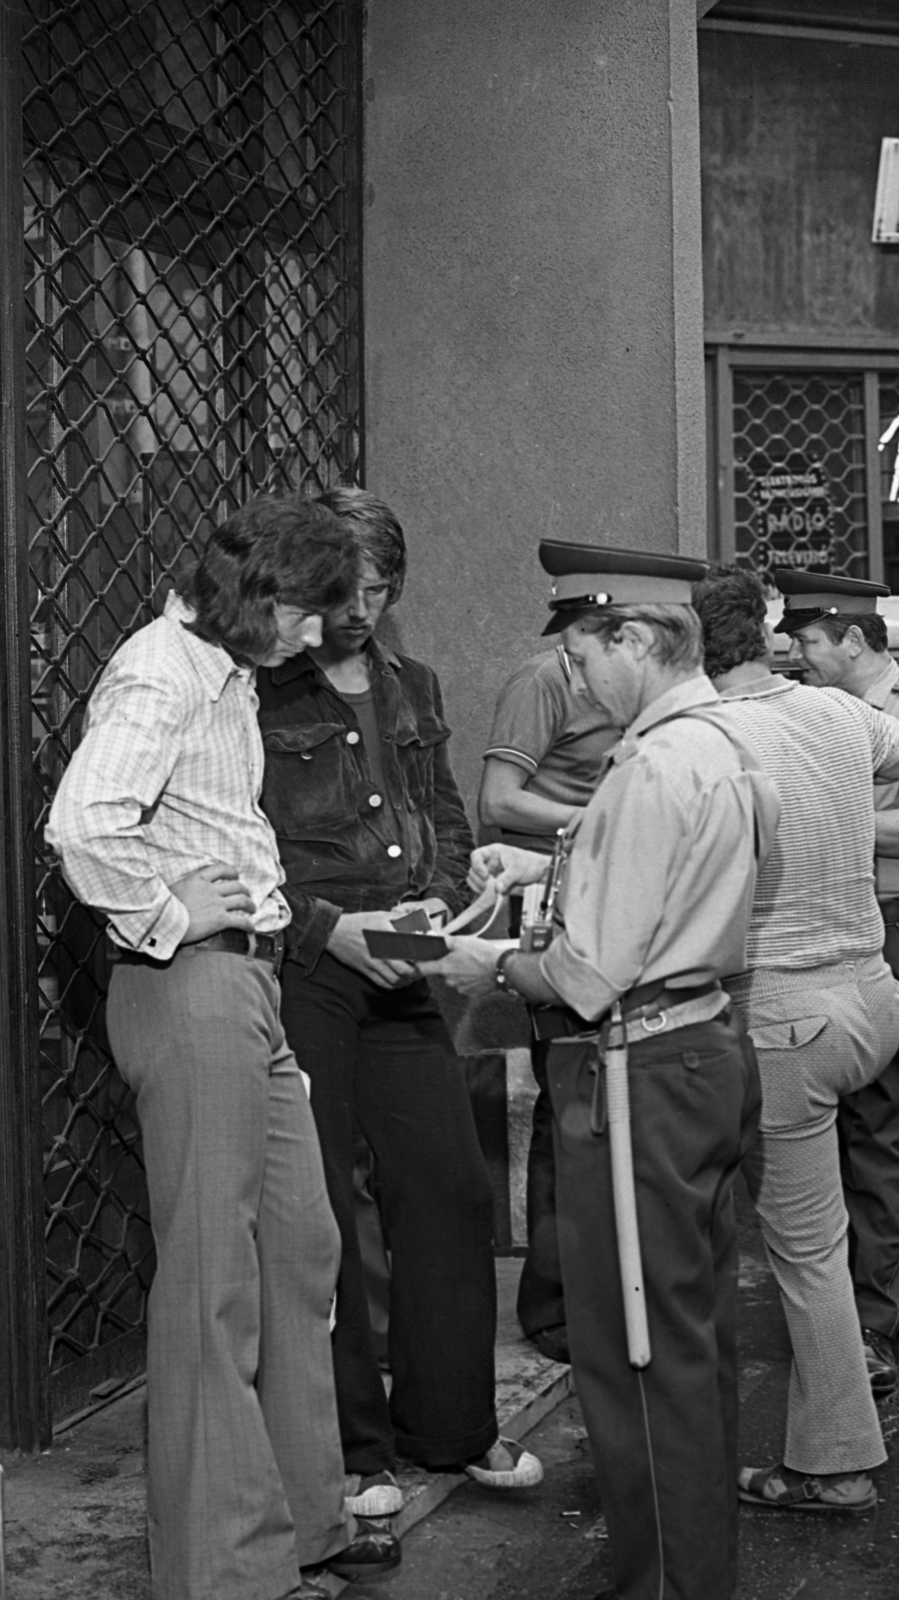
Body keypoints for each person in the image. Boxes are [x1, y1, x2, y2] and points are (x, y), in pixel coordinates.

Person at [46, 498, 394, 1600]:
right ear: (256, 593)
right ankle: (227, 1570)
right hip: (190, 986)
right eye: (305, 612)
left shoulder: (222, 673)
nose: (313, 637)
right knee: (214, 1283)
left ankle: (299, 1520)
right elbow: (83, 819)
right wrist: (167, 914)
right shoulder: (163, 671)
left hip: (244, 982)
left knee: (298, 1250)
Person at [432, 539, 772, 1600]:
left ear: (631, 638)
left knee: (636, 1352)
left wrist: (487, 958)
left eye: (581, 661)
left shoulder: (653, 761)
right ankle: (690, 1570)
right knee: (694, 1339)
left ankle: (664, 1583)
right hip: (704, 1047)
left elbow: (584, 974)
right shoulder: (722, 739)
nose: (574, 685)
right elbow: (669, 866)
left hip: (636, 1071)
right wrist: (559, 857)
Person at [256, 488, 539, 1521]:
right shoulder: (262, 691)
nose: (363, 608)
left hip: (409, 956)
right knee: (327, 1209)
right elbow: (247, 843)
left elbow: (446, 812)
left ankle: (451, 1428)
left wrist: (442, 892)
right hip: (313, 966)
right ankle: (351, 1449)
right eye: (349, 588)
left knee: (451, 1188)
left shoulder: (409, 682)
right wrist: (327, 926)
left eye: (382, 588)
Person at [693, 566, 899, 1514]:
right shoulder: (837, 712)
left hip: (784, 1010)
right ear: (771, 635)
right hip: (872, 995)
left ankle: (831, 1466)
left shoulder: (706, 733)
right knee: (849, 1200)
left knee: (806, 1251)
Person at [777, 568, 899, 1399]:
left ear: (854, 641)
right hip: (827, 924)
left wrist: (828, 820)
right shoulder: (798, 713)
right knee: (856, 1131)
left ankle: (871, 1327)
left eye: (807, 642)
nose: (795, 656)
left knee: (883, 1131)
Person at [480, 639, 622, 1364]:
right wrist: (607, 821)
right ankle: (553, 1305)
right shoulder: (542, 679)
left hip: (612, 905)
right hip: (557, 906)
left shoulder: (633, 683)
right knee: (566, 1107)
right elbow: (498, 799)